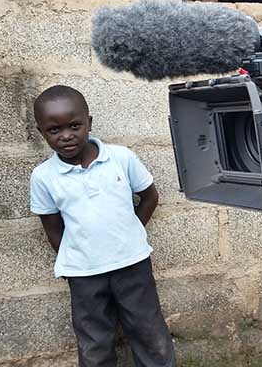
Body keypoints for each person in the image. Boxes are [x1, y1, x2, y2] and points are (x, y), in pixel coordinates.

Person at [29, 85, 175, 367]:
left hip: (132, 263)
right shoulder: (43, 177)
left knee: (148, 331)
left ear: (89, 123)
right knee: (94, 340)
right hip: (84, 274)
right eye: (54, 130)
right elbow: (51, 226)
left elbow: (149, 197)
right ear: (41, 132)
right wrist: (75, 255)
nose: (66, 136)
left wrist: (130, 231)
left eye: (74, 126)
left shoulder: (121, 158)